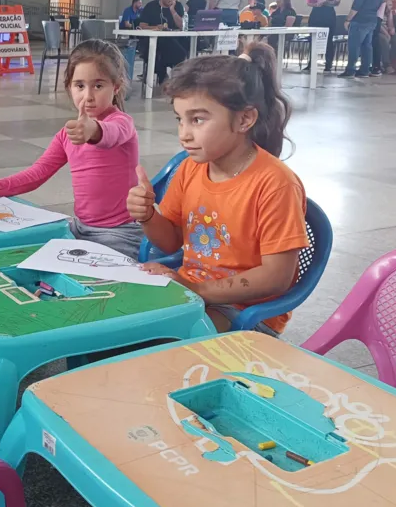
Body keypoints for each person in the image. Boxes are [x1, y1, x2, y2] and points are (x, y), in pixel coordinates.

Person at [127, 42, 307, 334]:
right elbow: (172, 241)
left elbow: (276, 277)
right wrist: (148, 216)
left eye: (197, 119)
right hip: (193, 292)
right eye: (180, 120)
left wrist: (196, 288)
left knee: (158, 342)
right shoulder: (191, 167)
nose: (184, 134)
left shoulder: (275, 183)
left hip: (247, 313)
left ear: (244, 119)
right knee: (117, 325)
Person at [0, 40, 141, 256]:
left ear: (116, 86)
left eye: (98, 85)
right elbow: (37, 173)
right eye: (80, 86)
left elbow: (111, 134)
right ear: (69, 86)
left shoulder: (123, 123)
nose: (88, 96)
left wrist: (93, 131)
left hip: (120, 232)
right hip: (79, 227)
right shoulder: (67, 135)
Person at [339, 0, 385, 79]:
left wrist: (348, 19)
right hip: (373, 19)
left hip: (360, 20)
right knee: (367, 46)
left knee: (354, 45)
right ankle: (364, 70)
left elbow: (357, 5)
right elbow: (382, 1)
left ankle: (350, 70)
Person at [138, 0, 187, 84]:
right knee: (168, 50)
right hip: (153, 41)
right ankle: (164, 75)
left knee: (184, 46)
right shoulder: (151, 6)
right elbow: (142, 26)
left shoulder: (178, 6)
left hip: (173, 41)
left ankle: (179, 80)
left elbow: (182, 26)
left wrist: (172, 10)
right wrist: (156, 28)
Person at [307, 0, 341, 72]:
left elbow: (337, 2)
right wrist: (315, 3)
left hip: (327, 15)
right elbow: (310, 2)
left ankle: (328, 63)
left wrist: (325, 2)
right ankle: (311, 62)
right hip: (316, 14)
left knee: (328, 40)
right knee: (312, 39)